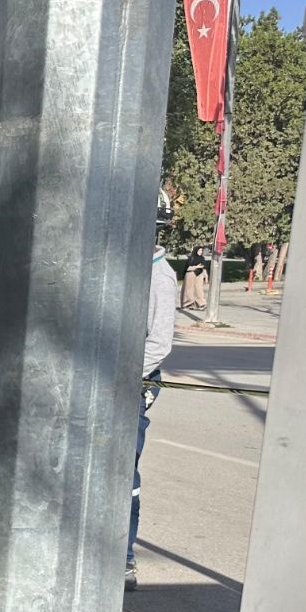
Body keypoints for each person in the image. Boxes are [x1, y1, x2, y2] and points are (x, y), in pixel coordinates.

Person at [130, 193, 178, 590]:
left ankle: (124, 556)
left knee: (121, 472)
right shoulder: (124, 268)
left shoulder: (160, 276)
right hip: (105, 380)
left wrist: (121, 376)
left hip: (132, 384)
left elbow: (159, 343)